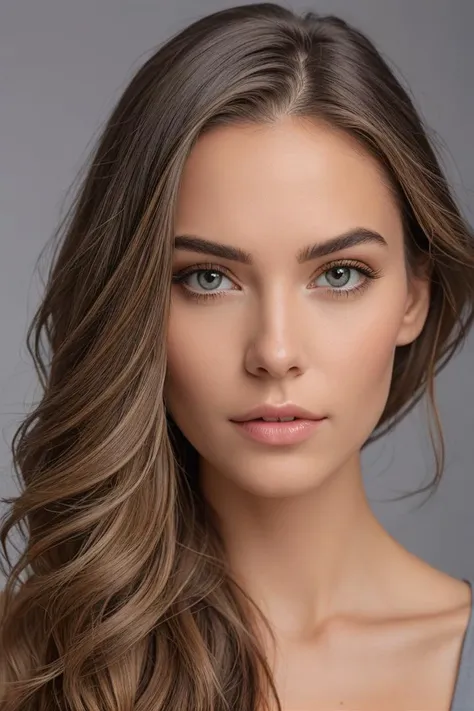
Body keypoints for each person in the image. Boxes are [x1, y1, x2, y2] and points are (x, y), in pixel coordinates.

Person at [1, 3, 474, 710]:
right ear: (136, 304)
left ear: (414, 296)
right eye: (207, 278)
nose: (275, 352)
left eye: (339, 274)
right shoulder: (28, 666)